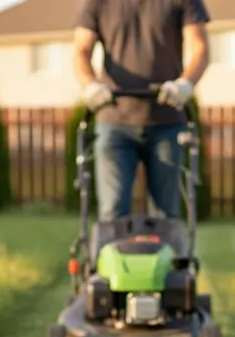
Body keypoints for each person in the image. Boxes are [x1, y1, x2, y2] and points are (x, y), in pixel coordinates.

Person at [72, 0, 210, 222]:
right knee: (112, 213)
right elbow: (81, 50)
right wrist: (90, 84)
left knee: (165, 216)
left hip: (167, 120)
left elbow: (200, 48)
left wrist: (185, 84)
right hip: (114, 120)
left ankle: (166, 255)